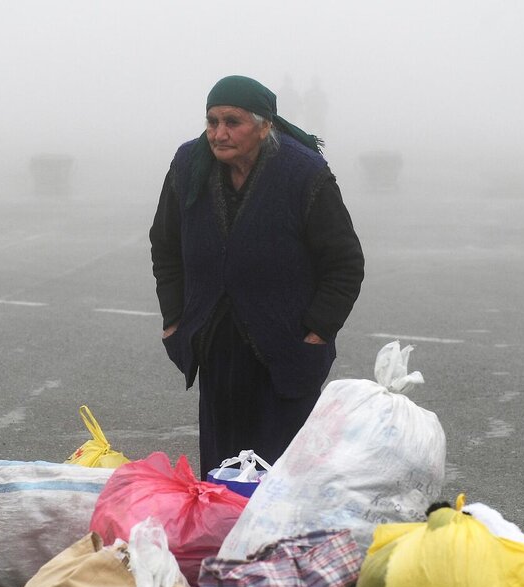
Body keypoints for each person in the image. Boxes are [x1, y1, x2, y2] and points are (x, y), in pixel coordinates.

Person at [149, 75, 365, 479]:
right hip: (216, 347)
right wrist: (174, 321)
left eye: (233, 122)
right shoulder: (187, 166)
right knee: (221, 475)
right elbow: (165, 247)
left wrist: (317, 332)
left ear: (265, 125)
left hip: (285, 351)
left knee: (283, 479)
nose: (219, 133)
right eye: (212, 121)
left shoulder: (304, 174)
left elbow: (345, 262)